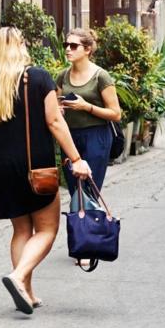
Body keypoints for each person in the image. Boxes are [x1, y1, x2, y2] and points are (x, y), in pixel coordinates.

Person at [0, 26, 91, 315]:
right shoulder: (38, 78)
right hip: (35, 167)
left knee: (21, 230)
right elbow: (54, 122)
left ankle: (26, 291)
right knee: (46, 230)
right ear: (21, 46)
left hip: (1, 170)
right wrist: (77, 159)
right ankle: (18, 277)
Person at [56, 28, 121, 213]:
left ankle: (90, 232)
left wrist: (87, 107)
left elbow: (116, 114)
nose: (68, 49)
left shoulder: (100, 76)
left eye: (74, 45)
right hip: (69, 137)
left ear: (87, 50)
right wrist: (58, 109)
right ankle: (80, 231)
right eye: (66, 45)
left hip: (96, 136)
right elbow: (55, 105)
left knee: (89, 190)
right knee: (74, 189)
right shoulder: (62, 75)